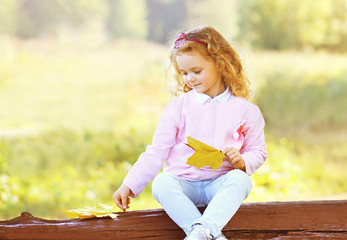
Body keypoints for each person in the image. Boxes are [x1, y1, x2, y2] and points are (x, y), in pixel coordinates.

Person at [113, 26, 267, 240]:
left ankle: (201, 232)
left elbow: (257, 150)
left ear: (220, 64)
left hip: (219, 184)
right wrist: (129, 185)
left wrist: (242, 162)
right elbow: (157, 151)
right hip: (184, 184)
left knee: (241, 181)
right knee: (162, 183)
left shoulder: (246, 110)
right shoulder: (179, 107)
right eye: (184, 73)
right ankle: (206, 233)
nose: (190, 79)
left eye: (196, 71)